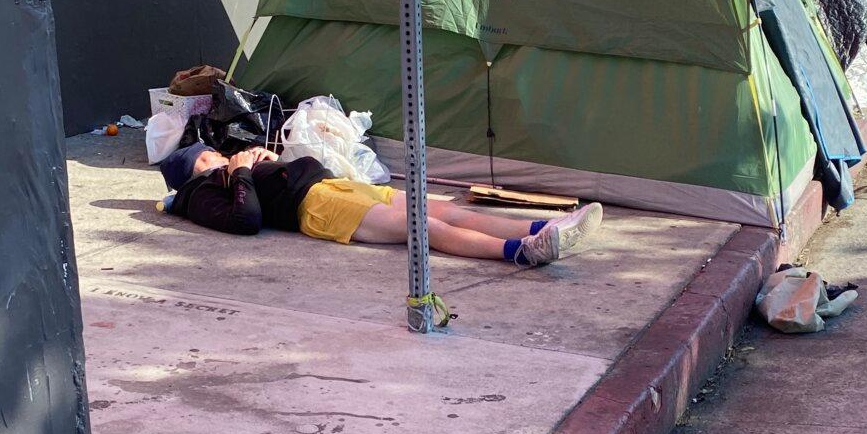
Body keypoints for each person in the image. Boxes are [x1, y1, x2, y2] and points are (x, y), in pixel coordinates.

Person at [158, 143, 602, 266]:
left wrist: (269, 161)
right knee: (421, 227)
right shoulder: (199, 196)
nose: (214, 155)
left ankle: (543, 226)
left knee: (444, 208)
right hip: (318, 208)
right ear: (191, 171)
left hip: (336, 187)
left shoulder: (228, 171)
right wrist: (238, 172)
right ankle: (522, 251)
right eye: (203, 157)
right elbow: (246, 219)